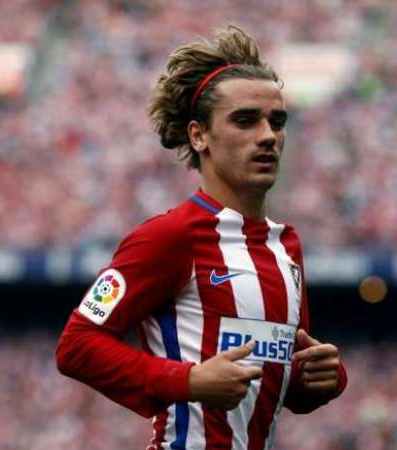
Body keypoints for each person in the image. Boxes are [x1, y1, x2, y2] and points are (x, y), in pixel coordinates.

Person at [56, 24, 347, 450]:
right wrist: (189, 380)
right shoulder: (169, 237)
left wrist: (322, 378)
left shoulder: (286, 248)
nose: (268, 136)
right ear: (199, 135)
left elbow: (279, 384)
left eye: (277, 121)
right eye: (245, 120)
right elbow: (76, 346)